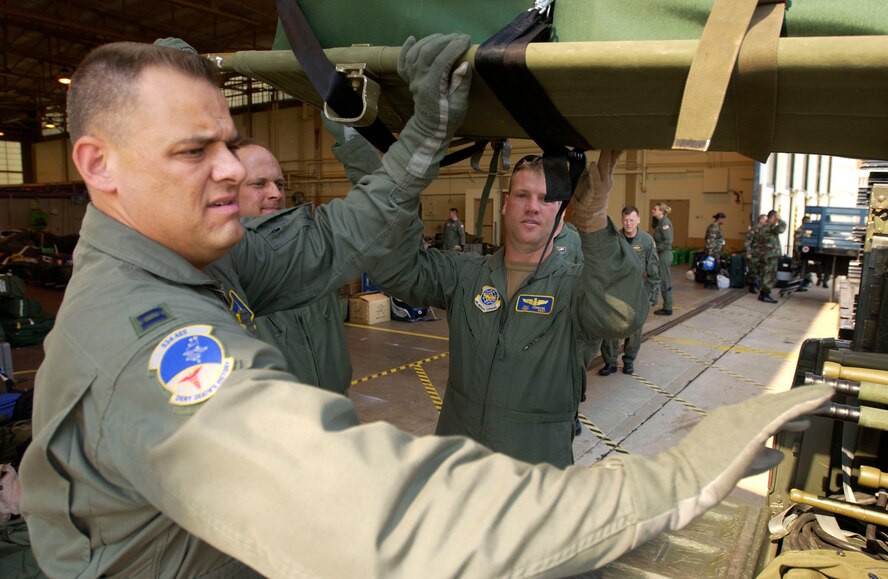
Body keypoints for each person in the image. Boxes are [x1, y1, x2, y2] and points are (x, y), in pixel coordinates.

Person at [18, 37, 835, 579]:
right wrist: (674, 480)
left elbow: (617, 318)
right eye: (195, 151)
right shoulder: (147, 341)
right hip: (453, 473)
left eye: (229, 143)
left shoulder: (197, 260)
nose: (232, 171)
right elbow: (362, 509)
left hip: (532, 459)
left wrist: (413, 146)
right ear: (99, 164)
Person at [370, 151, 651, 468]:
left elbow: (623, 316)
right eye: (522, 195)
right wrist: (388, 180)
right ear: (505, 205)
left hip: (532, 479)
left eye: (545, 199)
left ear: (561, 219)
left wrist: (594, 224)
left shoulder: (576, 289)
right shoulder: (465, 274)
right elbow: (395, 271)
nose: (532, 206)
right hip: (456, 470)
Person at [236, 139, 352, 394]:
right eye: (259, 184)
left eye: (279, 184)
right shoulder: (222, 270)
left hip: (334, 408)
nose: (276, 193)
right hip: (276, 425)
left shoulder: (313, 248)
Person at [599, 206, 660, 376]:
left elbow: (653, 267)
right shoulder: (615, 239)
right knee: (611, 327)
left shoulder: (647, 240)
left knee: (634, 330)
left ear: (638, 220)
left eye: (632, 220)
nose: (628, 223)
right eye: (625, 220)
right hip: (617, 291)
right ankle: (610, 362)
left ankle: (628, 361)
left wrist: (654, 292)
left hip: (637, 293)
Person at [754, 209, 787, 303]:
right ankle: (766, 294)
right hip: (770, 256)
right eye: (776, 217)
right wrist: (780, 219)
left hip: (765, 255)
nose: (777, 219)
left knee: (764, 274)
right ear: (773, 217)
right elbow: (782, 229)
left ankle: (762, 294)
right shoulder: (770, 226)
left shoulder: (764, 227)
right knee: (770, 275)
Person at [651, 202, 674, 315]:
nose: (653, 210)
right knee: (661, 280)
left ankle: (668, 307)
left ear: (661, 211)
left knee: (665, 281)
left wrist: (656, 249)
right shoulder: (659, 222)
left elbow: (668, 241)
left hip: (665, 254)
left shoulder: (665, 223)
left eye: (655, 209)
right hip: (661, 254)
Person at [745, 213, 767, 293]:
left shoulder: (765, 230)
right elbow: (747, 241)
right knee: (753, 271)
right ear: (761, 220)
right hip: (754, 253)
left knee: (762, 271)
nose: (766, 221)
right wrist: (748, 252)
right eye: (765, 219)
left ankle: (759, 286)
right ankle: (752, 287)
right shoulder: (754, 229)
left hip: (762, 254)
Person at [703, 211, 726, 289]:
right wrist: (710, 252)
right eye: (723, 219)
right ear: (720, 219)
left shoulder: (716, 227)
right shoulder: (714, 227)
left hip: (715, 250)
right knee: (710, 266)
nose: (724, 221)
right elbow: (710, 240)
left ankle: (711, 281)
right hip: (712, 251)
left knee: (713, 266)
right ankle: (708, 282)